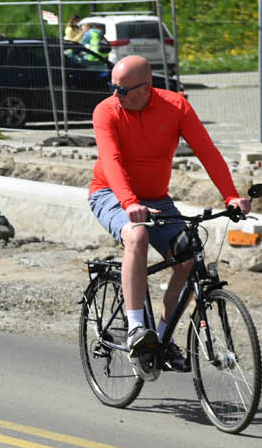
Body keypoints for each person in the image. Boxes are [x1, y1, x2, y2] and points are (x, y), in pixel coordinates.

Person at [88, 54, 248, 373]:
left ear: (146, 87)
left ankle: (160, 338)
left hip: (157, 199)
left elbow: (207, 152)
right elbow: (112, 161)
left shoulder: (176, 106)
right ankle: (135, 327)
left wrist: (231, 196)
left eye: (122, 90)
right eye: (113, 88)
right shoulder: (106, 111)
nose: (114, 95)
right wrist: (130, 202)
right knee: (137, 235)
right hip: (110, 193)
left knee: (189, 257)